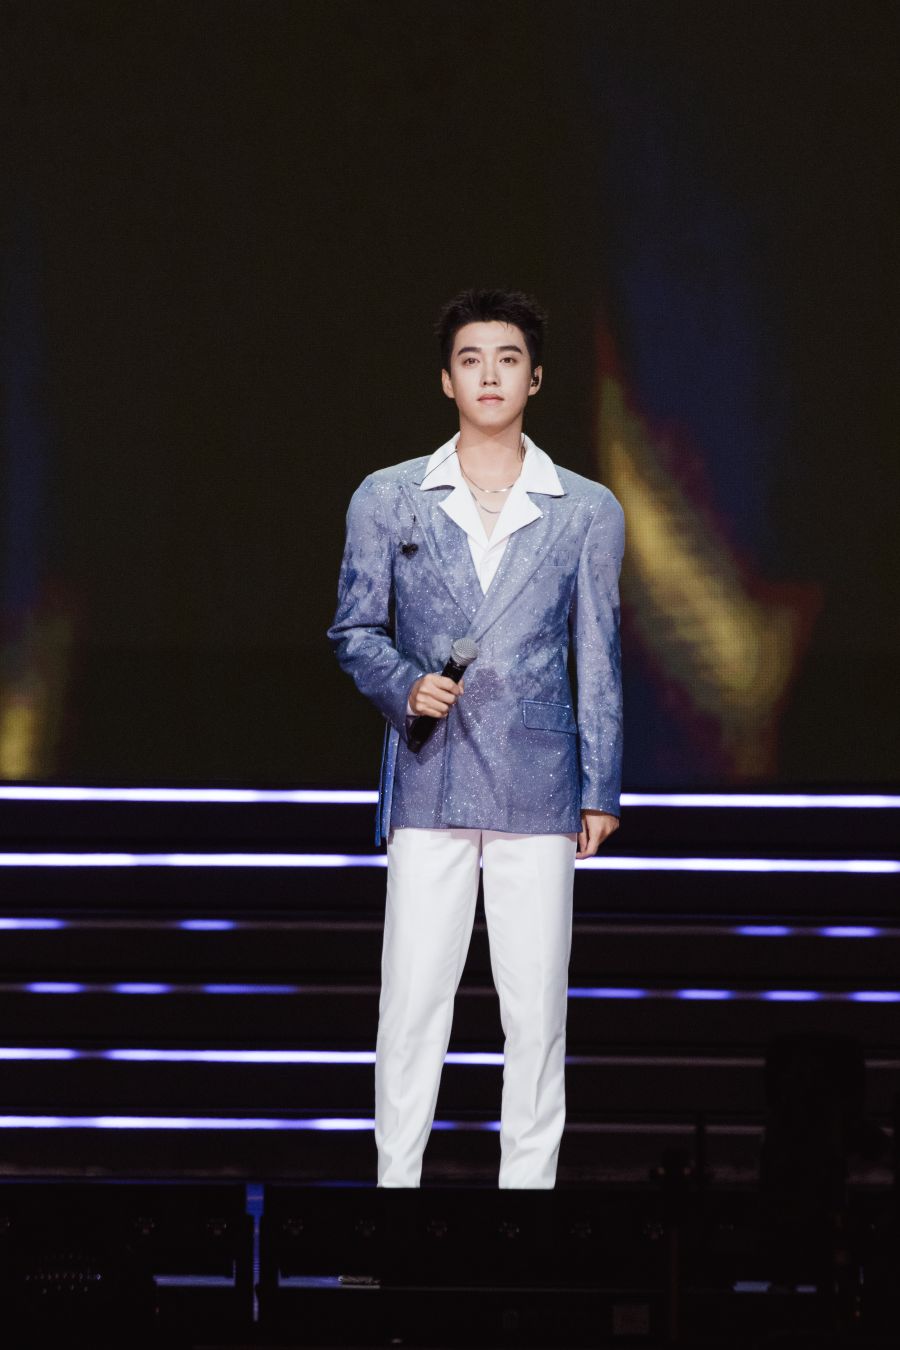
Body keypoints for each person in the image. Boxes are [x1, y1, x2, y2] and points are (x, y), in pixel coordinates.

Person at [328, 288, 624, 1188]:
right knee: (413, 1002)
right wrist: (402, 684)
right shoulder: (390, 497)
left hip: (541, 778)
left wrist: (600, 787)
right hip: (432, 767)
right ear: (445, 380)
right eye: (470, 359)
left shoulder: (584, 508)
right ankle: (394, 1195)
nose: (489, 374)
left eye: (507, 358)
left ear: (535, 379)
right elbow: (354, 630)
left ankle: (527, 1209)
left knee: (536, 1013)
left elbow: (599, 654)